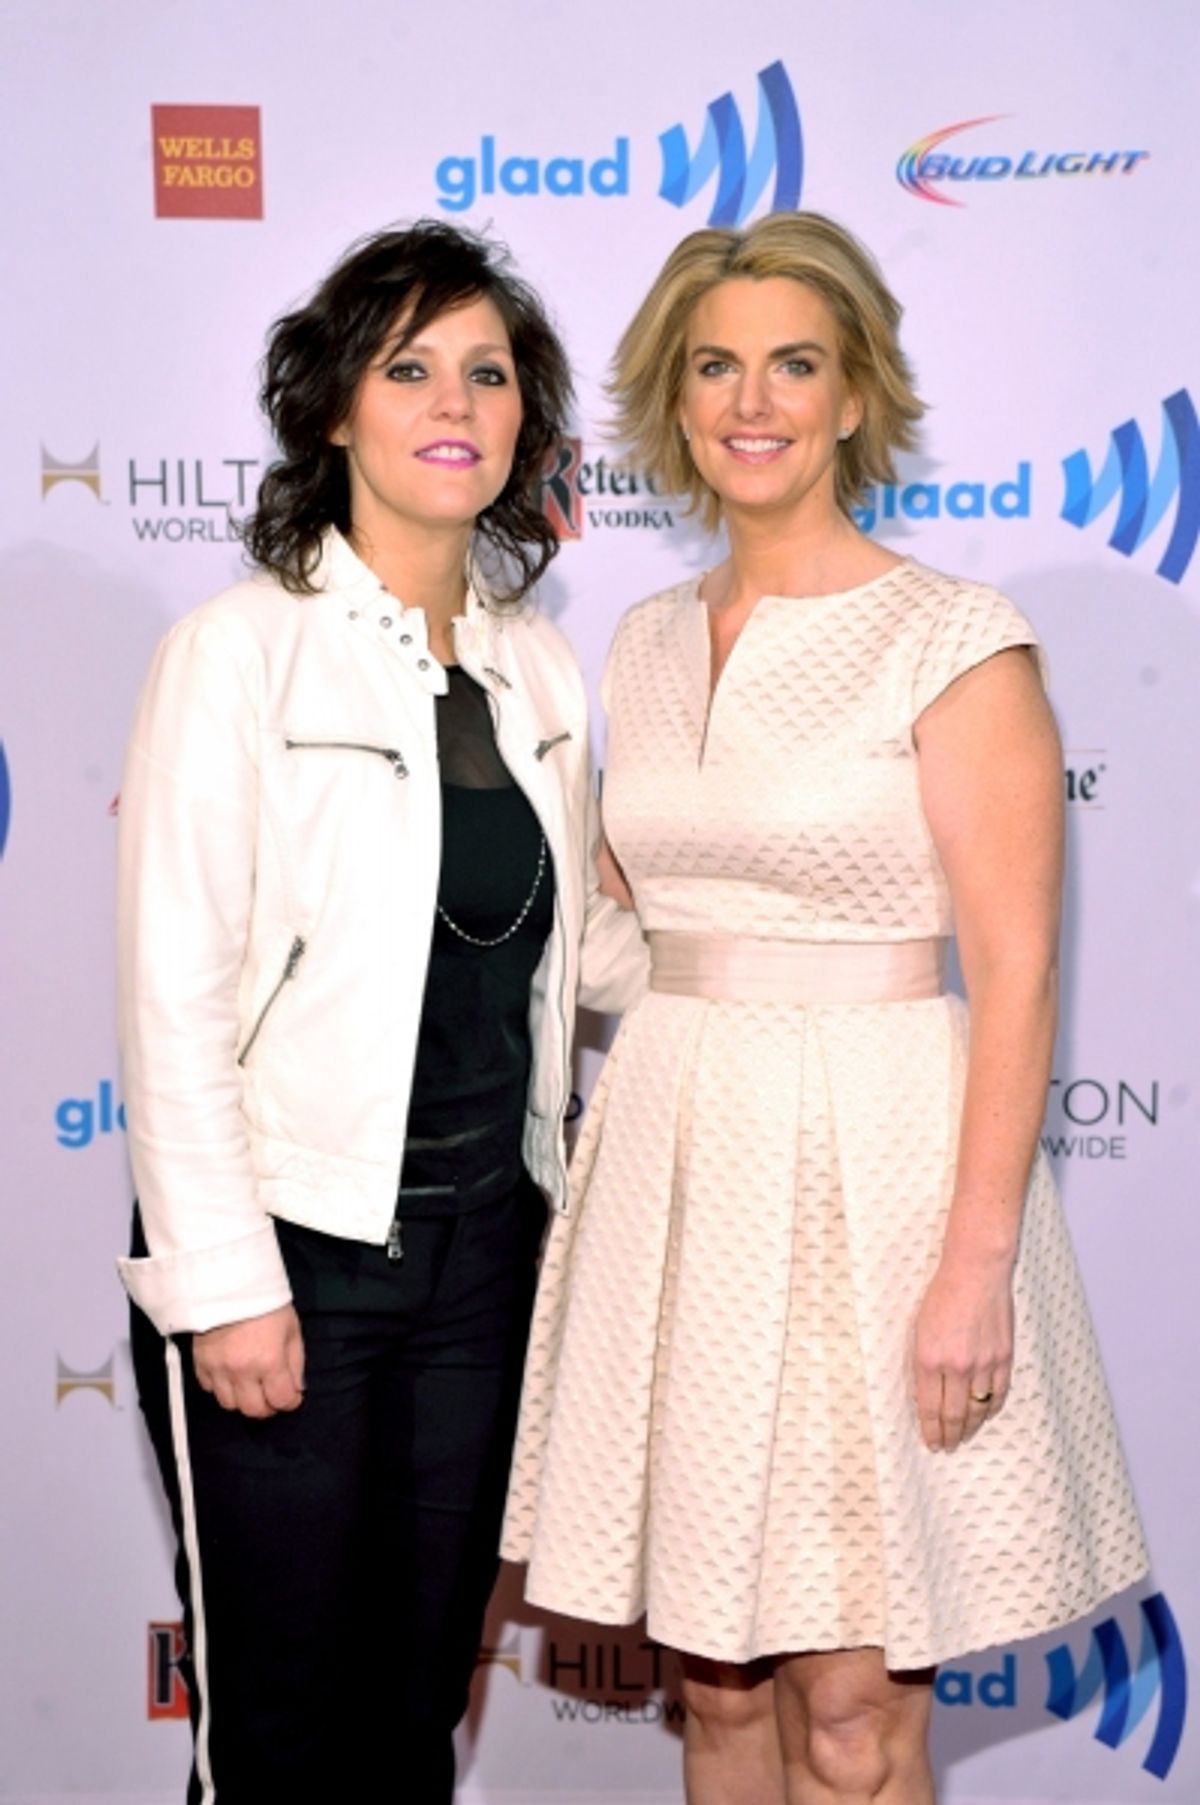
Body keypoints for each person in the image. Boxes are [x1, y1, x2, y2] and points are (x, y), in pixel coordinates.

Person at [502, 213, 1148, 1803]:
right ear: (674, 398)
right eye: (714, 366)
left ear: (856, 395)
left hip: (883, 1182)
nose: (753, 401)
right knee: (718, 1698)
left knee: (855, 1713)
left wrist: (975, 1266)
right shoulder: (643, 644)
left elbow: (1017, 970)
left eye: (795, 363)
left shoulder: (954, 637)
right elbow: (622, 922)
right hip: (682, 1172)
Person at [116, 219, 640, 1804]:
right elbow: (172, 996)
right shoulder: (238, 652)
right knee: (279, 1739)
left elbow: (592, 953)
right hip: (295, 1258)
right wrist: (226, 1285)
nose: (453, 401)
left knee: (414, 1716)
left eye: (488, 371)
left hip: (487, 1262)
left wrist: (812, 940)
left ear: (527, 423)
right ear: (334, 406)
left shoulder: (540, 670)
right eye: (409, 366)